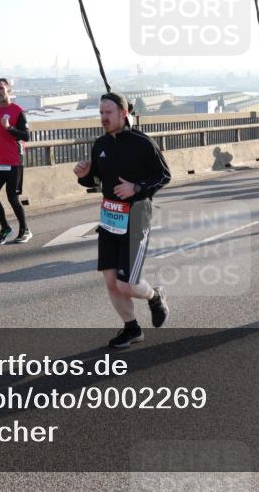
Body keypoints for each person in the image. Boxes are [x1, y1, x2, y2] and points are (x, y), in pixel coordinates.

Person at [73, 92, 171, 349]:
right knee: (110, 282)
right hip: (109, 218)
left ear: (123, 113)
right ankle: (131, 328)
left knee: (125, 284)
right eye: (101, 113)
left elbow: (164, 176)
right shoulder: (101, 144)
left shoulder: (142, 143)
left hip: (136, 217)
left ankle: (154, 295)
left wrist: (136, 188)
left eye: (108, 113)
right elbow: (95, 181)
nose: (103, 118)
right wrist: (84, 176)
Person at [0, 78, 32, 245]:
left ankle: (24, 230)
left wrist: (9, 128)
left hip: (14, 162)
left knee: (13, 198)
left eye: (1, 88)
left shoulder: (18, 111)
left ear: (9, 91)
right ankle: (5, 228)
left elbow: (26, 136)